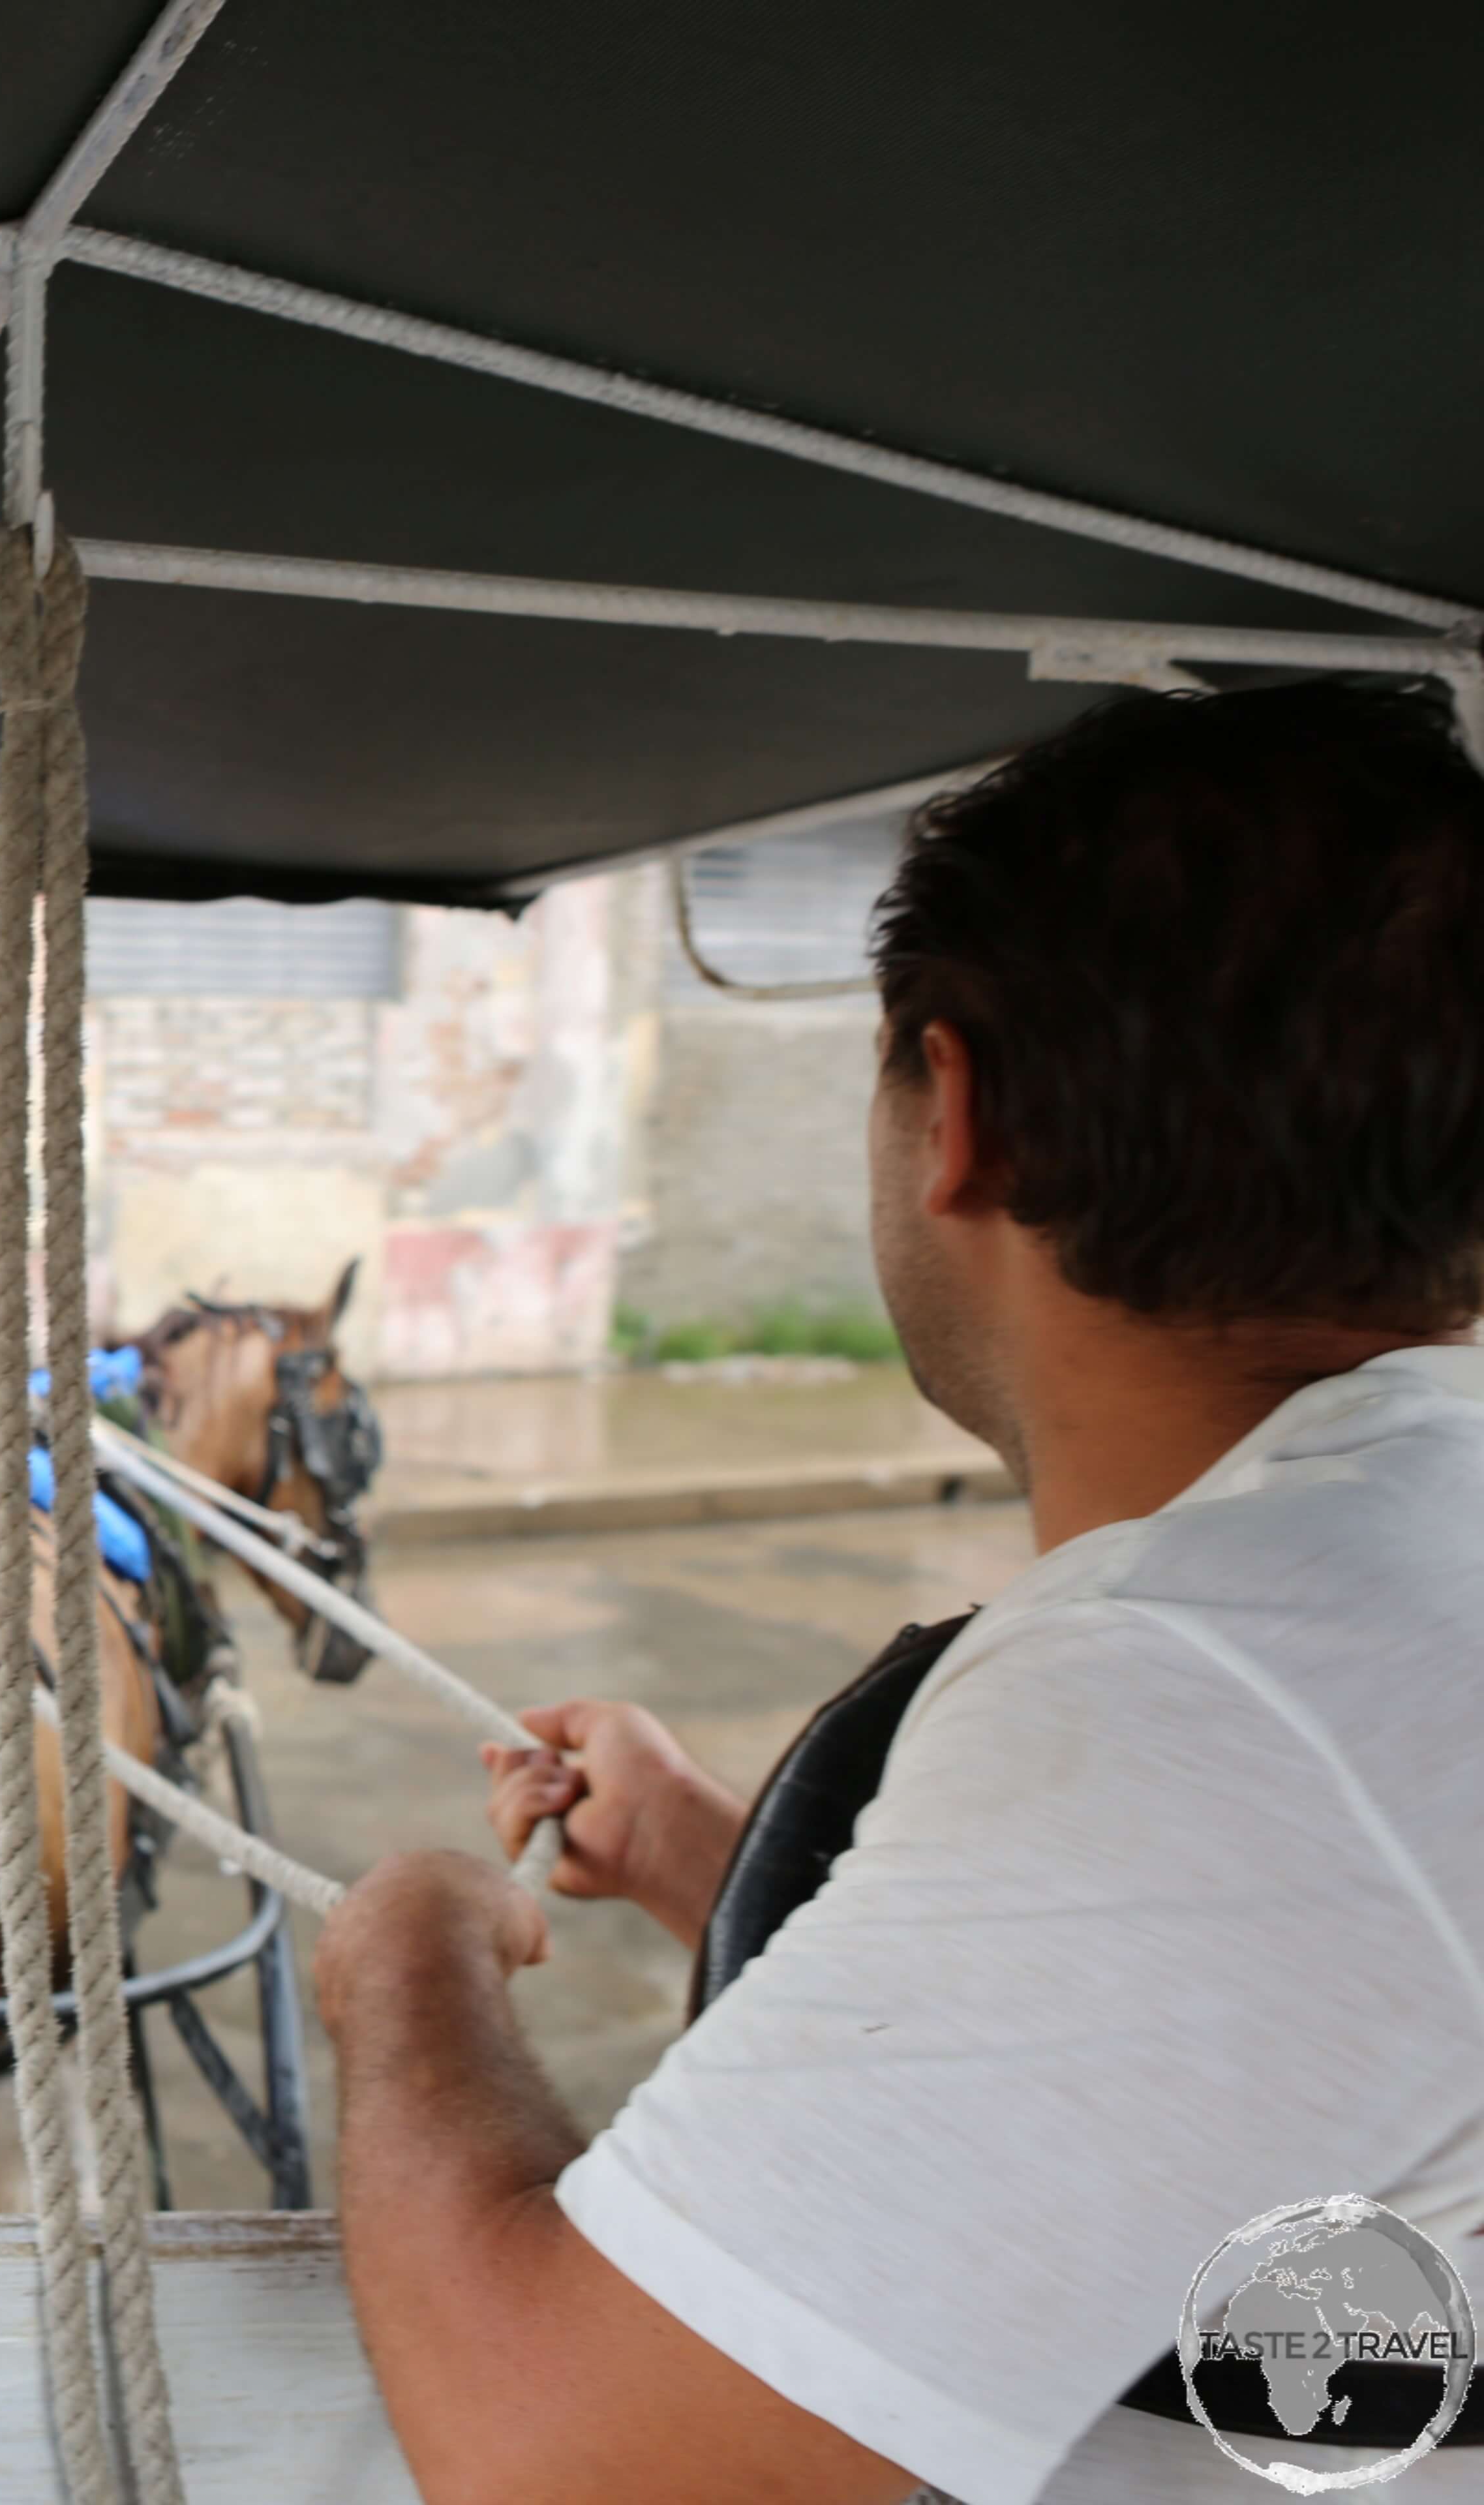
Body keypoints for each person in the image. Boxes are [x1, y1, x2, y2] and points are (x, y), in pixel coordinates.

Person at [313, 682, 1484, 2503]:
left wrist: (403, 1966)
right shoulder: (1403, 1570)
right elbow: (1225, 2051)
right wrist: (723, 1858)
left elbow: (570, 2459)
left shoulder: (1208, 1684)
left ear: (961, 1110)